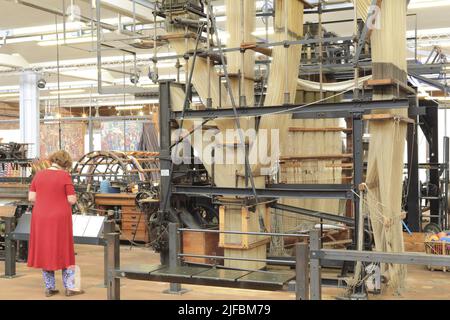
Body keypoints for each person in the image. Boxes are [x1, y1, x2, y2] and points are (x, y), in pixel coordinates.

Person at [27, 150, 84, 297]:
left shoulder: (39, 174)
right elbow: (71, 199)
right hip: (59, 218)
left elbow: (32, 198)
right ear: (65, 163)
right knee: (65, 250)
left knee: (46, 249)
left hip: (40, 217)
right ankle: (70, 287)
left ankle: (49, 287)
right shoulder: (64, 175)